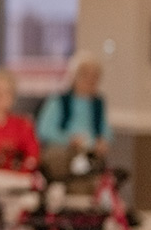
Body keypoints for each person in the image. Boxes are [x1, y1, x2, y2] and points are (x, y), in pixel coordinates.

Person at [35, 52, 112, 180]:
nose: (90, 80)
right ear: (74, 75)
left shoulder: (98, 104)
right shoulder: (58, 101)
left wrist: (102, 141)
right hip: (63, 151)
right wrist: (69, 140)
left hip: (90, 152)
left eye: (95, 76)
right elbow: (43, 130)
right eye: (85, 75)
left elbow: (106, 131)